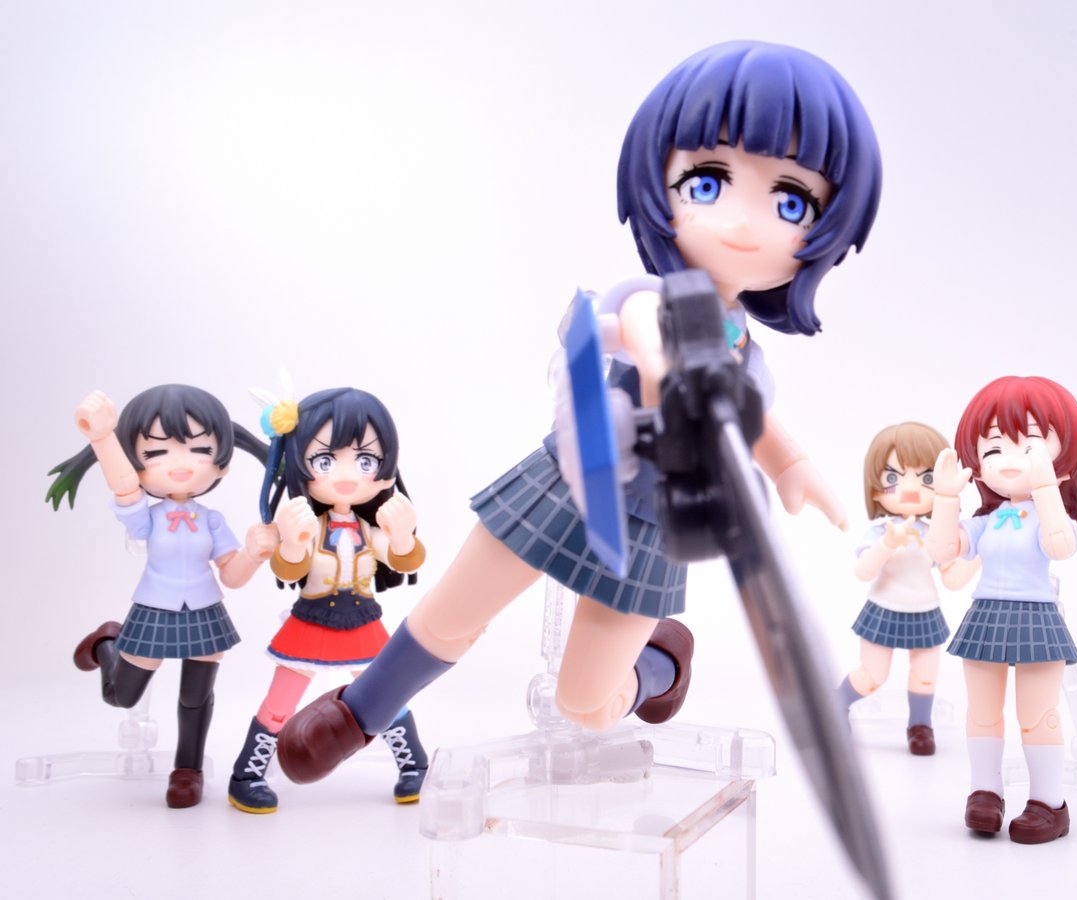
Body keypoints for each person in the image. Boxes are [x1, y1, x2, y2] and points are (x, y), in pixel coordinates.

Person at [276, 40, 884, 785]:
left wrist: (791, 466)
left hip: (651, 527)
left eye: (790, 202)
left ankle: (661, 662)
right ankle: (358, 712)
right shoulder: (650, 298)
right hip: (569, 480)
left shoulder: (745, 354)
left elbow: (748, 417)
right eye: (707, 182)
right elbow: (633, 328)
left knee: (588, 703)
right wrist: (653, 359)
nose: (741, 222)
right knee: (451, 612)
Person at [50, 384, 277, 808]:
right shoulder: (146, 516)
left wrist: (254, 553)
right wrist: (102, 437)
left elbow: (232, 576)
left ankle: (187, 770)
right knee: (121, 696)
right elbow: (123, 486)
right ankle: (106, 644)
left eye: (199, 450)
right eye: (155, 452)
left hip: (205, 612)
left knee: (196, 698)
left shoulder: (212, 520)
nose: (180, 464)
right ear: (136, 461)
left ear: (222, 462)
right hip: (154, 609)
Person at [926, 375, 1077, 843]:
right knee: (983, 712)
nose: (1010, 460)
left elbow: (1059, 546)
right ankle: (984, 792)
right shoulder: (988, 520)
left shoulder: (1050, 514)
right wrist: (946, 498)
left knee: (1037, 714)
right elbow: (941, 552)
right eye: (994, 448)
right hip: (986, 616)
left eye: (1030, 445)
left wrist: (1046, 486)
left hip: (1037, 618)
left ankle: (1049, 803)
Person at [226, 387, 428, 813]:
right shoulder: (309, 526)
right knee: (280, 703)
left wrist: (403, 536)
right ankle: (247, 774)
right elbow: (288, 569)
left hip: (362, 623)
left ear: (386, 470)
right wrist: (292, 543)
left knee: (386, 698)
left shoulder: (369, 528)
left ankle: (415, 765)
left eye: (366, 461)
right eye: (325, 461)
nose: (347, 474)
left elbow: (404, 558)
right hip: (311, 622)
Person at [836, 422, 978, 755]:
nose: (910, 489)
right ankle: (836, 704)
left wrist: (982, 553)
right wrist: (888, 543)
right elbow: (863, 571)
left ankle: (920, 726)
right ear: (875, 490)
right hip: (883, 609)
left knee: (925, 675)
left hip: (925, 610)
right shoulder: (879, 532)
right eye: (893, 477)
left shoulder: (937, 533)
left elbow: (952, 578)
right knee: (872, 676)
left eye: (926, 478)